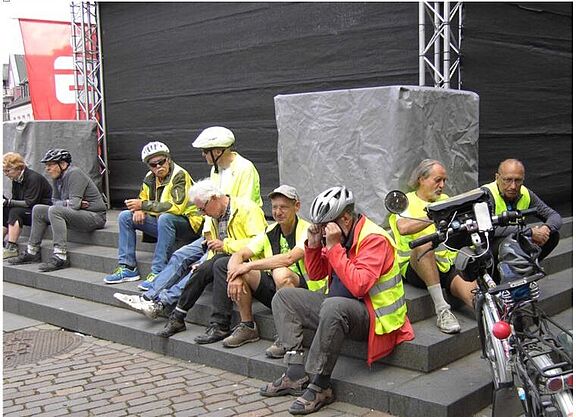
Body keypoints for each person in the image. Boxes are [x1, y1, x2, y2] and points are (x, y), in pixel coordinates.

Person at [260, 186, 414, 415]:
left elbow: (360, 284)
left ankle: (320, 385)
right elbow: (315, 274)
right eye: (320, 226)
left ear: (345, 217)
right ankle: (294, 373)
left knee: (333, 306)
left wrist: (333, 248)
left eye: (326, 225)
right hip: (338, 306)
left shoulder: (374, 239)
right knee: (284, 297)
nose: (323, 231)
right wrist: (313, 245)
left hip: (374, 317)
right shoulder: (337, 234)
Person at [117, 179, 267, 341]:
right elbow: (213, 247)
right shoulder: (212, 215)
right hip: (227, 255)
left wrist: (226, 245)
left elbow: (260, 242)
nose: (203, 214)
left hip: (250, 260)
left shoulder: (247, 208)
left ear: (214, 198)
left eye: (203, 209)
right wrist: (205, 261)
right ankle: (178, 317)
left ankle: (220, 325)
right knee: (201, 269)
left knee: (219, 265)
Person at [135, 125, 262, 292]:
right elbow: (209, 207)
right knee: (180, 255)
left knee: (200, 266)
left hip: (235, 237)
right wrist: (208, 235)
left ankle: (163, 300)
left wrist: (220, 242)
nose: (203, 155)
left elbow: (242, 210)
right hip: (215, 231)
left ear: (217, 152)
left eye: (205, 151)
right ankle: (151, 294)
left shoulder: (245, 168)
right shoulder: (215, 170)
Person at [218, 185, 326, 350]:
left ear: (297, 206)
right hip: (278, 291)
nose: (278, 212)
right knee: (238, 269)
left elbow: (289, 258)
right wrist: (235, 275)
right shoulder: (270, 230)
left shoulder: (308, 229)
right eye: (274, 207)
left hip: (308, 294)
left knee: (280, 272)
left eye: (283, 207)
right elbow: (239, 254)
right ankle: (248, 327)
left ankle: (287, 336)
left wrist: (246, 267)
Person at [389, 159, 477, 334]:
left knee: (475, 299)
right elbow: (404, 227)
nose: (442, 185)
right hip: (415, 265)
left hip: (446, 263)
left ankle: (502, 323)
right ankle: (442, 310)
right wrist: (436, 216)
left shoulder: (444, 199)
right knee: (424, 245)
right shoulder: (405, 201)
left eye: (444, 181)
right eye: (437, 180)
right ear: (422, 179)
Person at [104, 141, 203, 285]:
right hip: (165, 223)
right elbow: (142, 197)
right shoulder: (150, 177)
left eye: (161, 162)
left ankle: (159, 271)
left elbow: (177, 207)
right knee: (125, 216)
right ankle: (127, 268)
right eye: (153, 164)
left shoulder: (180, 175)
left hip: (190, 225)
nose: (158, 167)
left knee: (166, 218)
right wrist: (139, 208)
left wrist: (143, 206)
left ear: (168, 159)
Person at [8, 149, 106, 272]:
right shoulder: (57, 177)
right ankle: (32, 251)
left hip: (95, 216)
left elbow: (74, 205)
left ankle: (61, 255)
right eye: (46, 166)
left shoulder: (75, 173)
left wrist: (68, 203)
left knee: (55, 210)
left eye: (50, 165)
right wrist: (67, 203)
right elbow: (53, 201)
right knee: (38, 209)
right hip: (77, 213)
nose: (47, 169)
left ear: (63, 164)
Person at [482, 158, 562, 262]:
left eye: (518, 180)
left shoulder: (525, 193)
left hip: (515, 239)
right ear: (497, 178)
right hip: (489, 246)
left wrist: (546, 228)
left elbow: (554, 216)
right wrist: (529, 232)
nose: (513, 186)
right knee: (506, 243)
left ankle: (528, 269)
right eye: (508, 180)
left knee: (553, 235)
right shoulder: (486, 194)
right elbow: (489, 228)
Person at [3, 152, 52, 259]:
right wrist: (6, 202)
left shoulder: (34, 178)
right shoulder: (16, 179)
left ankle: (12, 247)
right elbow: (16, 200)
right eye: (4, 171)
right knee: (4, 210)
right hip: (30, 210)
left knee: (14, 211)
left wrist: (7, 202)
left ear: (19, 168)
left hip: (42, 213)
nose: (5, 174)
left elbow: (30, 202)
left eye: (8, 170)